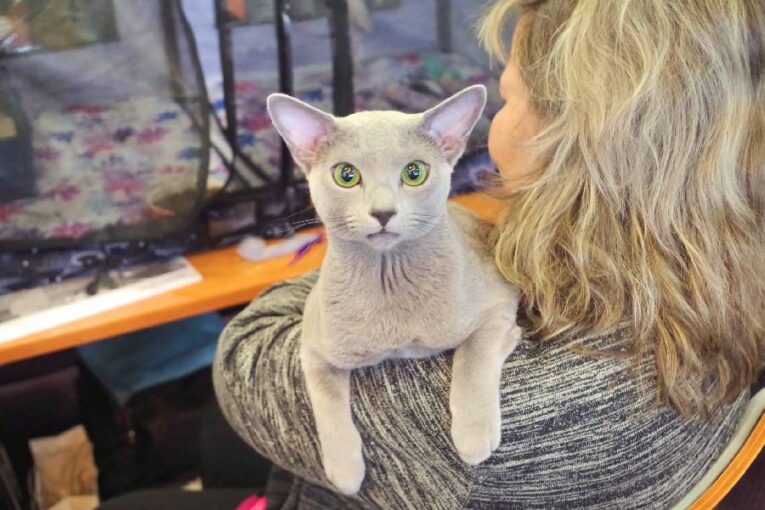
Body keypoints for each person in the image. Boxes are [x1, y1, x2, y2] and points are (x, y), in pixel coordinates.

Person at [213, 0, 765, 507]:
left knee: (203, 447)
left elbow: (245, 362)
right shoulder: (734, 276)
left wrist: (369, 246)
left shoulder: (503, 414)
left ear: (567, 139)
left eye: (507, 98)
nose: (493, 123)